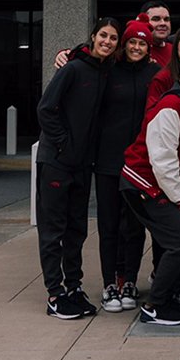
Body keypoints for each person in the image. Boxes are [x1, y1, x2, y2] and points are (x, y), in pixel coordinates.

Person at [36, 16, 120, 319]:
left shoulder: (106, 72)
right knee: (53, 230)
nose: (107, 42)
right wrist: (63, 144)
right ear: (93, 36)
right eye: (103, 36)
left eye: (113, 38)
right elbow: (46, 109)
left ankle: (73, 286)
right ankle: (55, 294)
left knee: (77, 230)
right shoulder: (73, 68)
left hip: (84, 165)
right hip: (57, 162)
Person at [121, 54, 180, 326]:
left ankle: (171, 293)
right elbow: (162, 162)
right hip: (142, 184)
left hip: (167, 184)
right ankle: (154, 305)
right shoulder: (171, 107)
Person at [94, 15, 158, 312]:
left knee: (134, 226)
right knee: (108, 226)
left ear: (148, 46)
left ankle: (130, 280)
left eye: (141, 42)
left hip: (139, 163)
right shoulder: (109, 71)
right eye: (131, 41)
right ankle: (110, 284)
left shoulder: (155, 74)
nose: (136, 46)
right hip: (108, 160)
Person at [54, 0, 173, 70]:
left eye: (166, 19)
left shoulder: (176, 49)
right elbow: (93, 54)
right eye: (156, 19)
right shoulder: (122, 53)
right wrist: (67, 54)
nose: (163, 23)